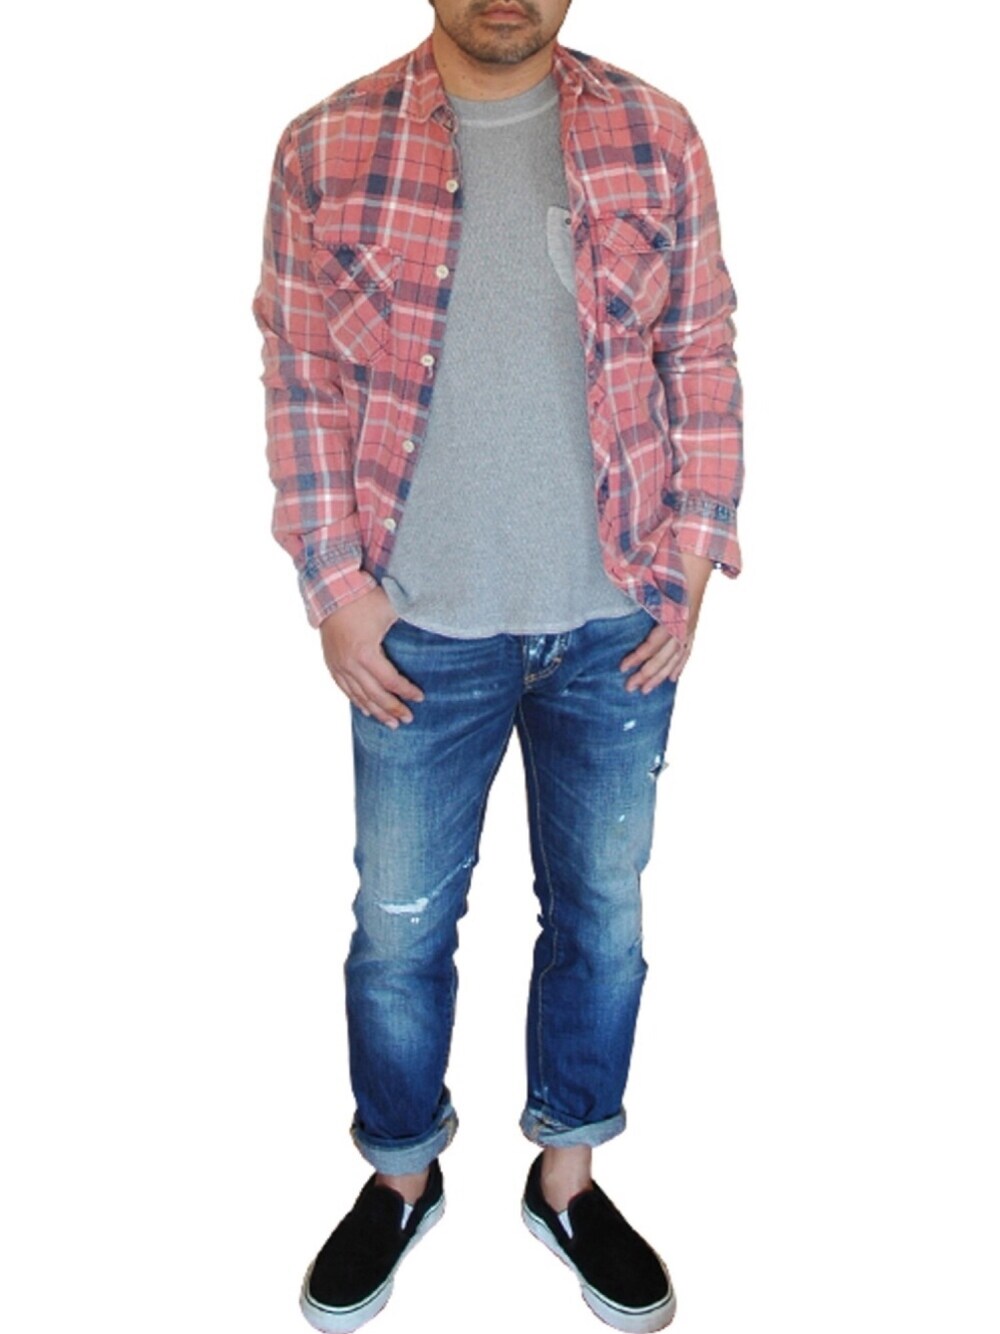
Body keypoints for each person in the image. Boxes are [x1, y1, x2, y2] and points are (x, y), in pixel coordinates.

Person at [253, 1, 743, 1329]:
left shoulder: (656, 133)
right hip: (417, 634)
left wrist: (695, 555)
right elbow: (300, 371)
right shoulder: (325, 145)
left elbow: (700, 345)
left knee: (603, 918)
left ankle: (567, 1177)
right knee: (400, 928)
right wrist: (335, 587)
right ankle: (401, 1175)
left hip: (617, 624)